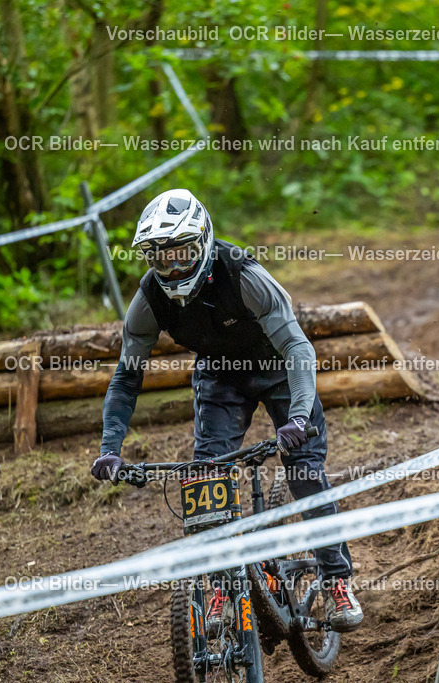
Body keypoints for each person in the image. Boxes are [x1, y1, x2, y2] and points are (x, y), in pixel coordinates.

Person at [90, 189, 363, 634]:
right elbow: (126, 378)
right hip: (220, 377)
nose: (173, 268)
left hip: (277, 366)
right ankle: (218, 585)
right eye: (161, 258)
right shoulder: (148, 301)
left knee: (304, 472)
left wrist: (297, 417)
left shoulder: (243, 274)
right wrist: (109, 448)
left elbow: (296, 346)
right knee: (206, 478)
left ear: (202, 242)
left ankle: (336, 580)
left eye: (181, 254)